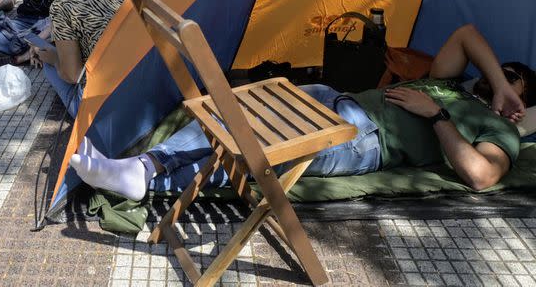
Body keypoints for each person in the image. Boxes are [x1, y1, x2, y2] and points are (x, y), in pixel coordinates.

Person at [70, 24, 530, 200]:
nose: (499, 73)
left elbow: (482, 176)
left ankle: (144, 175)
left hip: (362, 140)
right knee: (242, 106)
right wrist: (500, 85)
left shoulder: (497, 129)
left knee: (255, 151)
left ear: (525, 100)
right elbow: (467, 34)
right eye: (499, 69)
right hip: (334, 97)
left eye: (513, 76)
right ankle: (143, 167)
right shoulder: (453, 81)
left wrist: (436, 116)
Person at [32, 0, 127, 117]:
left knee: (49, 63)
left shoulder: (62, 6)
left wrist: (53, 59)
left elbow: (73, 75)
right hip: (138, 82)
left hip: (102, 108)